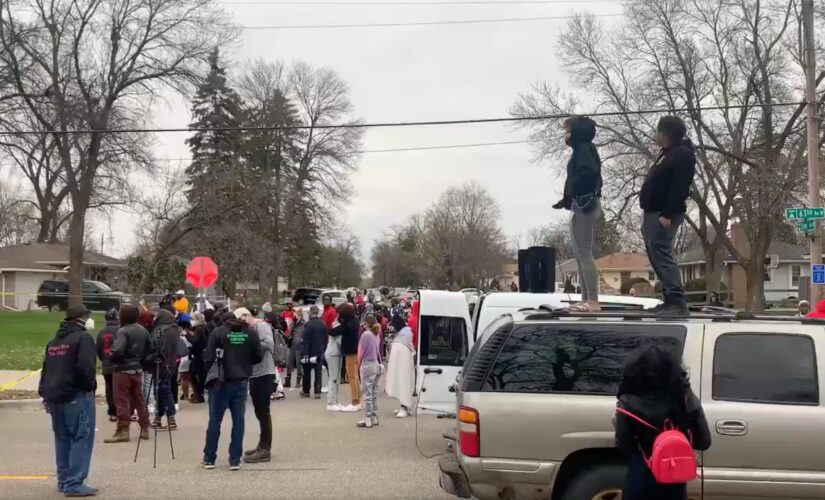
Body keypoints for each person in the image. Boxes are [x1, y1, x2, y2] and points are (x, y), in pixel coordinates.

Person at [615, 344, 711, 500]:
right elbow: (704, 442)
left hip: (641, 476)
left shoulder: (627, 403)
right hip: (674, 477)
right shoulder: (685, 398)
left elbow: (623, 448)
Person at [38, 305, 99, 497]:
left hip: (55, 395)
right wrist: (89, 386)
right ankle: (74, 482)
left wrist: (45, 393)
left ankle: (64, 480)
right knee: (82, 437)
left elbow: (46, 369)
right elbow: (85, 368)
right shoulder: (83, 338)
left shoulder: (54, 341)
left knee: (63, 438)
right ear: (81, 319)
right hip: (76, 395)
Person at [640, 116, 696, 316]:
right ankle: (668, 299)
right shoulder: (668, 153)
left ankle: (676, 301)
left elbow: (680, 186)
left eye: (658, 131)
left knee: (663, 254)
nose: (655, 135)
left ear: (665, 134)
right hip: (652, 211)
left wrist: (667, 213)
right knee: (656, 255)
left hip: (664, 213)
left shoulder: (682, 154)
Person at [552, 115, 603, 312]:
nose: (566, 135)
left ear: (577, 133)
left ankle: (592, 301)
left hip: (585, 205)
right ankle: (585, 299)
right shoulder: (585, 150)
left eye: (569, 131)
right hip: (581, 204)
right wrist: (567, 199)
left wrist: (577, 193)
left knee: (584, 253)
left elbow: (588, 173)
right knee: (581, 253)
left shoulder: (583, 150)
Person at [202, 312, 263, 470]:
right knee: (239, 420)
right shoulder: (249, 333)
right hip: (241, 380)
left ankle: (209, 458)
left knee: (215, 420)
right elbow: (258, 356)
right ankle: (235, 459)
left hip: (220, 382)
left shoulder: (218, 333)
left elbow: (208, 356)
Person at [235, 307, 276, 464]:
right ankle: (262, 445)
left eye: (241, 319)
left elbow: (269, 344)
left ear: (247, 316)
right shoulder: (249, 329)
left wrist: (250, 342)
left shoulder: (261, 326)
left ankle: (265, 448)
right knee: (259, 411)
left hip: (264, 372)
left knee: (263, 411)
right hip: (255, 373)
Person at [105, 304, 152, 444]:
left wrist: (111, 355)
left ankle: (123, 430)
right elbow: (150, 349)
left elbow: (118, 350)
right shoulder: (143, 330)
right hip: (137, 368)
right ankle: (145, 428)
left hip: (122, 369)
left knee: (122, 400)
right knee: (139, 399)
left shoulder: (123, 331)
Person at [150, 309, 186, 430]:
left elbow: (155, 346)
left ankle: (170, 418)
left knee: (163, 391)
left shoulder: (161, 330)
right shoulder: (174, 329)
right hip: (171, 363)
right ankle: (158, 418)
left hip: (161, 364)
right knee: (162, 390)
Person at [386, 314, 415, 418]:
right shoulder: (402, 333)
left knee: (404, 383)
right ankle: (403, 405)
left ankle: (405, 406)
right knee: (400, 383)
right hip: (400, 364)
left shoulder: (407, 333)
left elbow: (409, 347)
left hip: (404, 363)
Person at [357, 320, 382, 428]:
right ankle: (374, 416)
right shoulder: (376, 335)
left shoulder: (366, 335)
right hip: (376, 364)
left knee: (367, 392)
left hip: (367, 364)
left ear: (366, 323)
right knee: (374, 391)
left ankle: (367, 418)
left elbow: (361, 352)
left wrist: (357, 366)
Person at [96, 309, 120, 423]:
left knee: (109, 389)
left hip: (106, 363)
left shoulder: (101, 333)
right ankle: (122, 411)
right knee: (120, 389)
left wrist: (104, 359)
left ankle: (112, 412)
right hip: (119, 364)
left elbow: (98, 350)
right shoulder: (121, 331)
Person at [337, 303, 361, 412]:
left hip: (350, 351)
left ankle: (355, 401)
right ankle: (358, 400)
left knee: (351, 377)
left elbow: (337, 330)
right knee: (354, 377)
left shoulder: (347, 323)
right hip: (355, 350)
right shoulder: (354, 321)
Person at [301, 305, 327, 399]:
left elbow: (306, 339)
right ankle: (317, 391)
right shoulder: (323, 324)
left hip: (309, 351)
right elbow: (325, 339)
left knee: (307, 372)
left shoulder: (308, 324)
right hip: (319, 350)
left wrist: (305, 353)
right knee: (318, 372)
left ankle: (306, 391)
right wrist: (323, 348)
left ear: (311, 313)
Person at [325, 305, 344, 411]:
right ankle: (331, 402)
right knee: (333, 378)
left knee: (335, 377)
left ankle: (335, 400)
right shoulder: (337, 327)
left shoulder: (336, 325)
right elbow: (340, 342)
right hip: (333, 354)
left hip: (336, 353)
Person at [188, 312, 208, 403]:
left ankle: (198, 394)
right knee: (198, 376)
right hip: (201, 356)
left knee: (194, 376)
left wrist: (188, 336)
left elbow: (196, 342)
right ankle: (198, 394)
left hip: (198, 356)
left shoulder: (199, 329)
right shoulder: (203, 327)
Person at [285, 309, 305, 389]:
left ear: (300, 316)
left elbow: (305, 335)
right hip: (292, 345)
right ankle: (288, 381)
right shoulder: (293, 323)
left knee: (298, 363)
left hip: (299, 346)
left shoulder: (304, 324)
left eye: (296, 315)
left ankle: (298, 381)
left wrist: (302, 340)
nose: (294, 317)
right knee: (289, 363)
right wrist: (291, 327)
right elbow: (288, 332)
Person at [177, 314, 193, 401]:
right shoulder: (192, 333)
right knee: (191, 377)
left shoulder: (180, 334)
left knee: (184, 377)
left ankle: (186, 395)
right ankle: (193, 393)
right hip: (192, 356)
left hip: (184, 357)